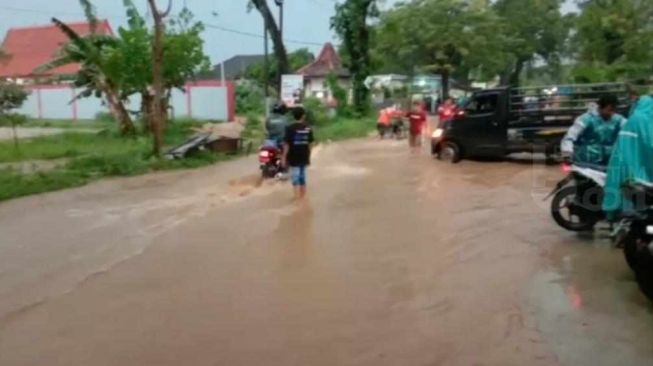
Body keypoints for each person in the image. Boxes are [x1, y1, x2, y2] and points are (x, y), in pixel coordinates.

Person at [603, 95, 653, 219]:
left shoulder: (633, 118)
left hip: (619, 160)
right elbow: (649, 143)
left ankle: (619, 219)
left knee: (619, 187)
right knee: (635, 192)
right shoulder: (644, 120)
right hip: (634, 162)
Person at [560, 95, 626, 167]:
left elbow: (631, 131)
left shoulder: (619, 120)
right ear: (600, 107)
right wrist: (567, 154)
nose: (612, 113)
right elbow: (570, 136)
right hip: (586, 162)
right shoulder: (585, 119)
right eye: (609, 110)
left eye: (614, 110)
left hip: (610, 162)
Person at [283, 107, 315, 200]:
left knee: (296, 177)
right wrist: (309, 155)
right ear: (303, 116)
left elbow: (286, 144)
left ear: (293, 116)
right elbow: (311, 144)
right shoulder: (308, 128)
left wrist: (284, 157)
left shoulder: (289, 128)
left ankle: (297, 199)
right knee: (302, 177)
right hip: (304, 156)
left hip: (294, 157)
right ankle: (302, 198)